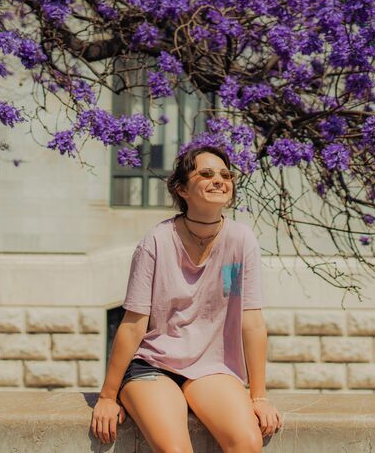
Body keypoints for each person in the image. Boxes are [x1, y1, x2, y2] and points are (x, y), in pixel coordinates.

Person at [91, 145, 282, 452]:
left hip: (211, 367)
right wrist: (107, 397)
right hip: (153, 366)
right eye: (206, 174)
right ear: (182, 188)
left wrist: (259, 396)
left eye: (225, 175)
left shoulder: (240, 241)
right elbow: (133, 324)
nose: (219, 180)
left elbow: (251, 321)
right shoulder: (156, 241)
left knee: (247, 442)